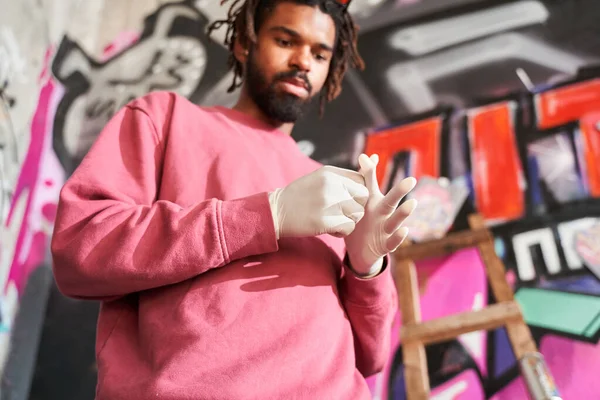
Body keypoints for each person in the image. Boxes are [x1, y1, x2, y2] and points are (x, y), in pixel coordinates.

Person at [50, 0, 418, 398]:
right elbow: (79, 249)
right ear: (245, 42)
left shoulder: (335, 190)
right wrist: (266, 216)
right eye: (285, 40)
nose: (302, 62)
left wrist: (367, 269)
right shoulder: (166, 119)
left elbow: (373, 356)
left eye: (318, 53)